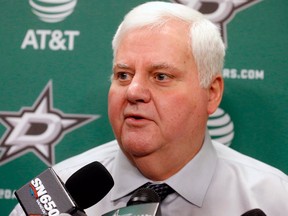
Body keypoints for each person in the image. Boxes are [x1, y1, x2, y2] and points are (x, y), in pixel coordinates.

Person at [10, 1, 288, 216]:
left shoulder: (273, 199)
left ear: (211, 93)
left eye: (161, 76)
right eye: (123, 75)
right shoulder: (54, 199)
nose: (133, 92)